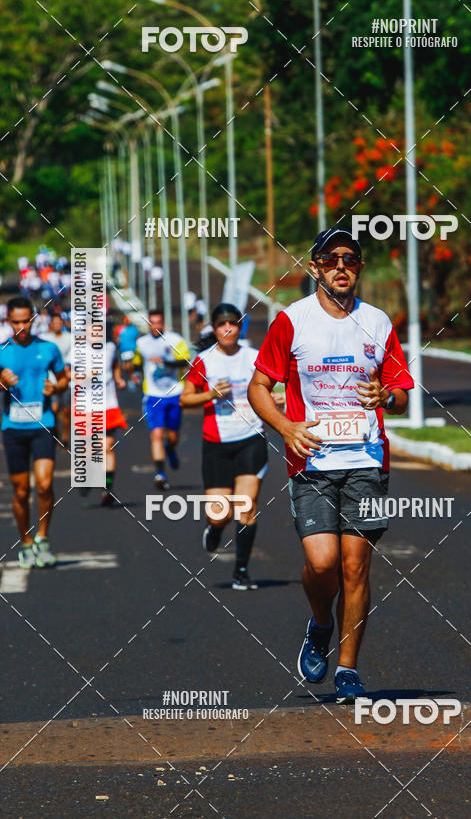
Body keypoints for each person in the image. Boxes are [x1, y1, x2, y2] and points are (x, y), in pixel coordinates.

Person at [248, 227, 414, 704]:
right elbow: (258, 388)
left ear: (359, 268)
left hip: (366, 459)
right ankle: (320, 624)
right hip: (312, 462)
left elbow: (400, 394)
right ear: (315, 266)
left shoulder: (378, 322)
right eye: (331, 258)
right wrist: (285, 427)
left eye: (351, 259)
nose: (342, 267)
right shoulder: (292, 321)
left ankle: (347, 669)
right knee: (322, 565)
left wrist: (388, 395)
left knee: (355, 567)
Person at [181, 303, 283, 591]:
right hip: (217, 444)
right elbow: (185, 399)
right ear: (214, 329)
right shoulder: (204, 361)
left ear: (240, 327)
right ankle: (214, 529)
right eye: (222, 325)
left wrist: (276, 401)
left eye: (233, 324)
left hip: (251, 438)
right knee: (219, 513)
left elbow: (269, 389)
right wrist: (210, 395)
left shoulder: (254, 357)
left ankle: (241, 571)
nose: (228, 329)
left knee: (246, 508)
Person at [0, 296, 68, 568]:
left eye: (25, 321)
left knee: (43, 484)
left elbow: (63, 378)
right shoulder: (2, 351)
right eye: (15, 321)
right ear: (8, 321)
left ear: (33, 319)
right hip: (13, 428)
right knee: (19, 492)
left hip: (43, 424)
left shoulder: (49, 349)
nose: (20, 327)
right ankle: (25, 542)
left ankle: (43, 538)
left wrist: (57, 387)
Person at [134, 307, 190, 490]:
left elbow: (185, 361)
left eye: (158, 322)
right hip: (152, 395)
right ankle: (160, 474)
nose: (155, 326)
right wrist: (134, 373)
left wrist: (165, 362)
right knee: (156, 434)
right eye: (152, 323)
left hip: (174, 392)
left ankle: (171, 449)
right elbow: (136, 363)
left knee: (172, 437)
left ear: (163, 323)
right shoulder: (142, 343)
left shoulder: (175, 340)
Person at [100, 337, 127, 507]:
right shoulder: (78, 350)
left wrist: (118, 378)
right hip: (86, 407)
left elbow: (115, 364)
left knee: (107, 447)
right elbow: (67, 373)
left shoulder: (110, 347)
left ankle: (107, 489)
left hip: (108, 405)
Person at [42, 313, 72, 447]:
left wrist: (70, 368)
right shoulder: (46, 339)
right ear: (51, 325)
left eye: (59, 322)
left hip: (67, 377)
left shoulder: (70, 338)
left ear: (63, 324)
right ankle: (56, 433)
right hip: (52, 377)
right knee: (54, 409)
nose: (57, 325)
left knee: (66, 411)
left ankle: (66, 435)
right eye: (54, 323)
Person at [117, 315, 140, 389]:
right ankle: (130, 376)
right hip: (123, 349)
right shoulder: (120, 328)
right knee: (126, 365)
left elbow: (137, 337)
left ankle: (132, 377)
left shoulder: (134, 329)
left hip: (132, 349)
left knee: (130, 364)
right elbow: (117, 337)